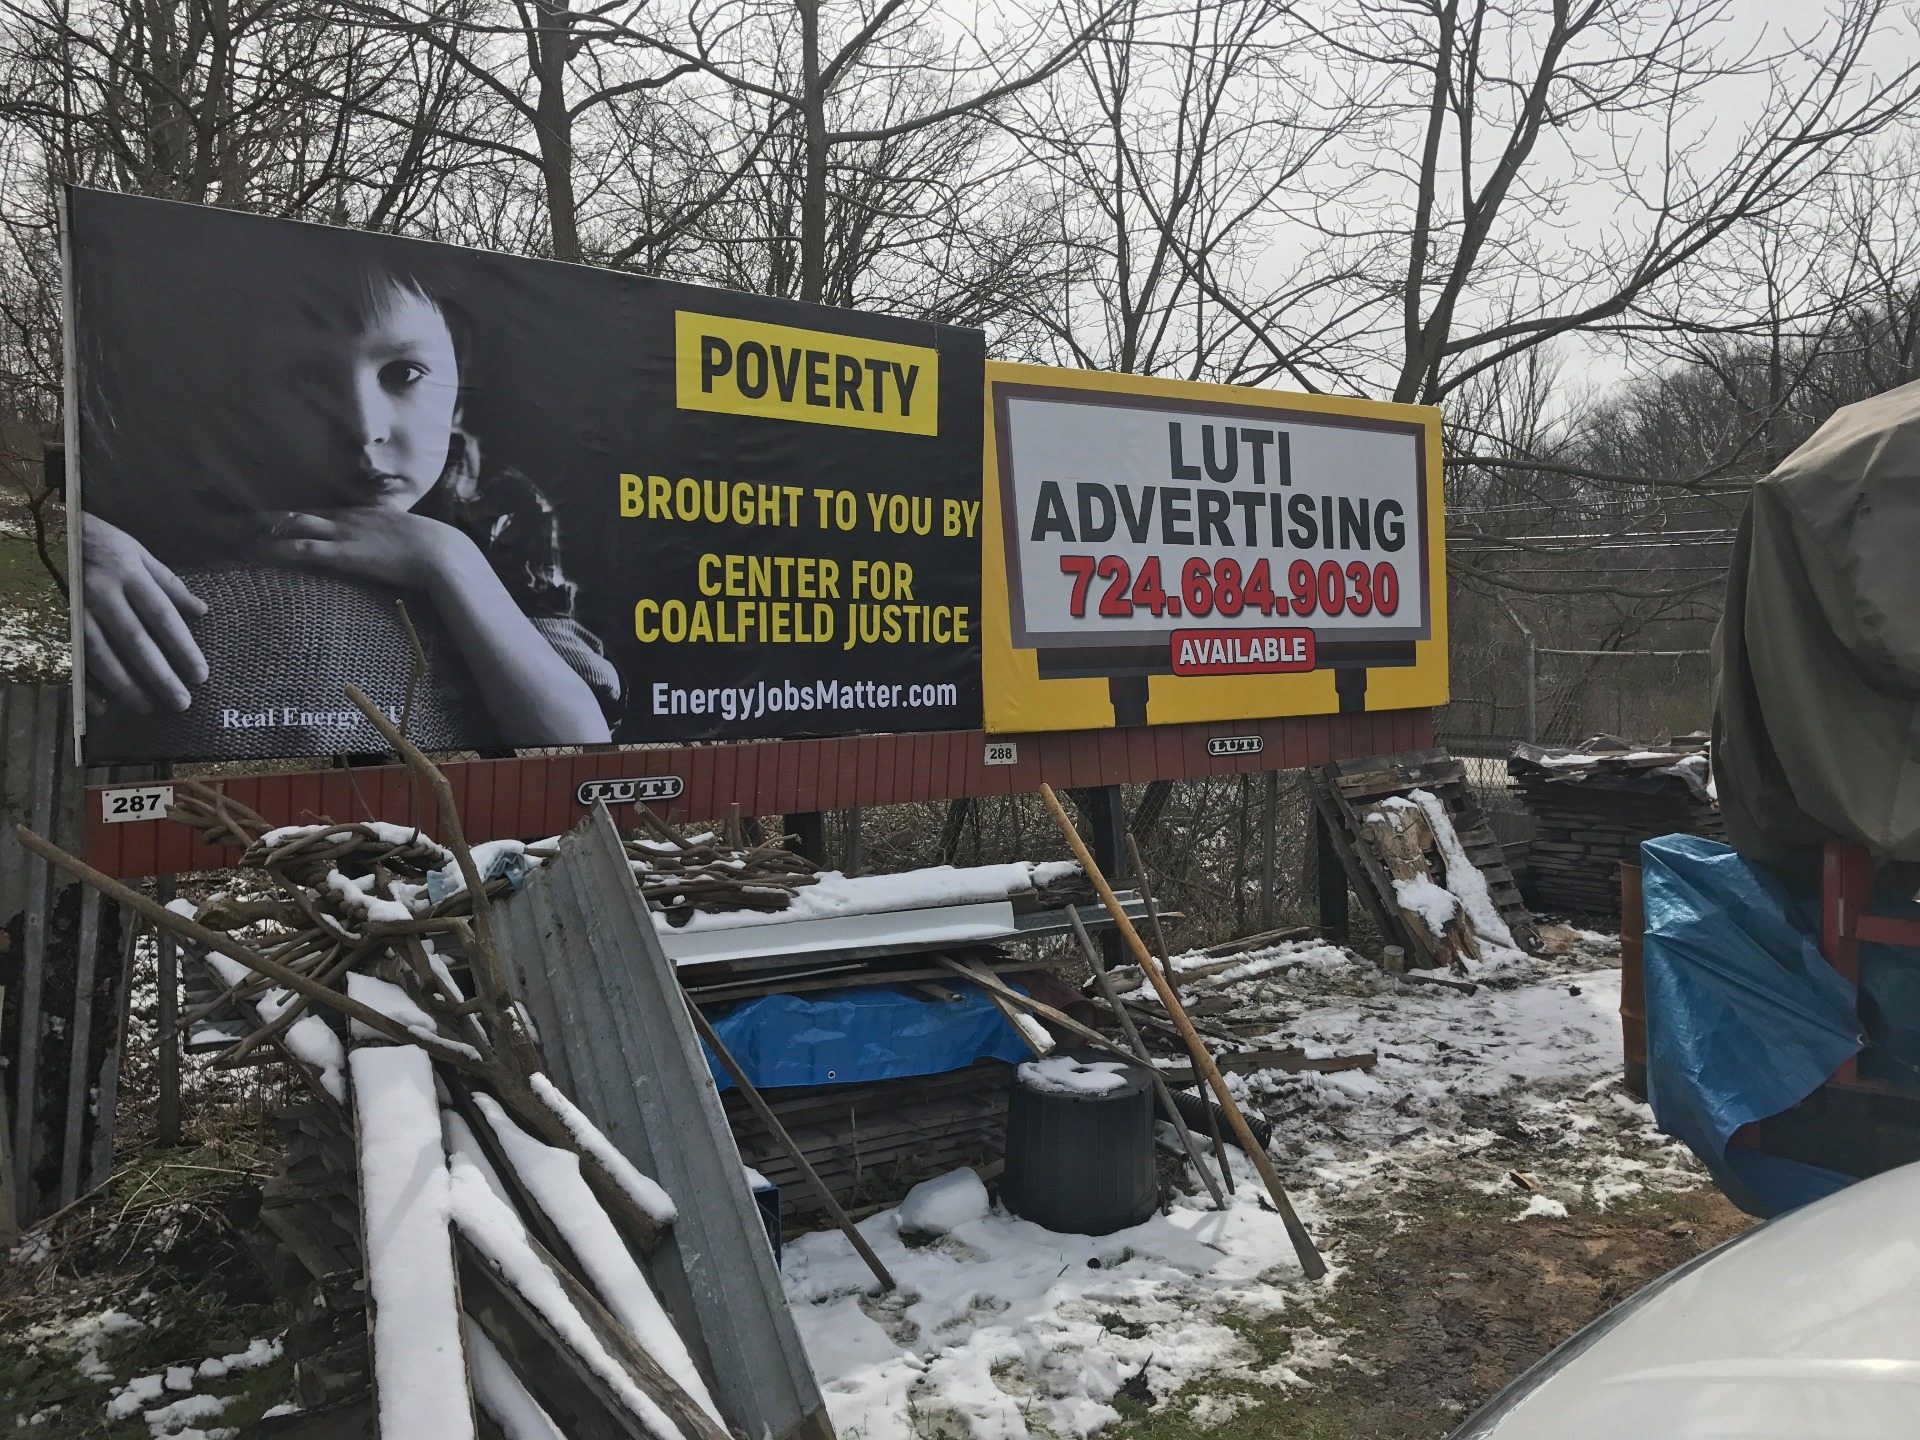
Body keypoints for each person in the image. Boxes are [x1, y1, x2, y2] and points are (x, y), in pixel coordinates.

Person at [81, 250, 617, 745]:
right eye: (310, 378)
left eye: (404, 373)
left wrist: (449, 559)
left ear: (460, 379)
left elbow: (579, 740)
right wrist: (86, 540)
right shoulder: (175, 488)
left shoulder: (495, 506)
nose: (364, 428)